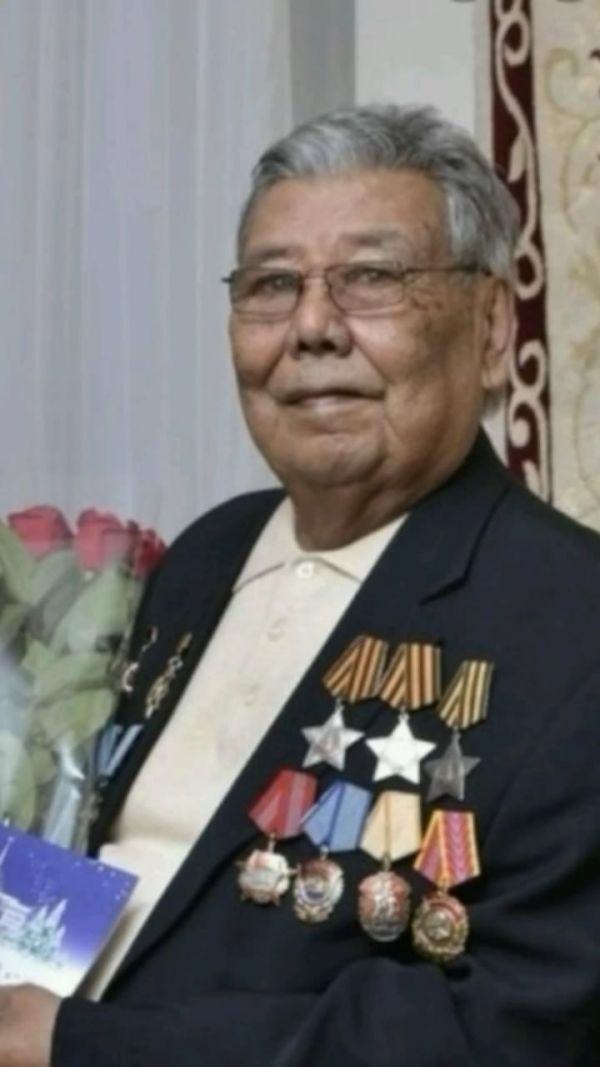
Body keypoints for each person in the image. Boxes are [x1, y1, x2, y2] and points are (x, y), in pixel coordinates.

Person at [3, 103, 600, 1066]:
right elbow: (91, 842)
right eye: (272, 285)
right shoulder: (207, 555)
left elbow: (509, 1028)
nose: (313, 326)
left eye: (372, 278)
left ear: (492, 328)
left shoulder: (571, 620)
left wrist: (80, 1045)